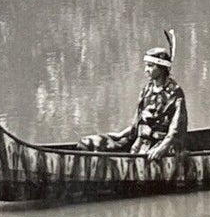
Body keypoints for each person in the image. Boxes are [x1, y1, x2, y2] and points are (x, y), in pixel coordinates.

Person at [81, 29, 189, 162]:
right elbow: (137, 123)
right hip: (141, 143)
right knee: (89, 143)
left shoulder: (175, 93)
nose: (146, 70)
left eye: (150, 66)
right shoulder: (147, 89)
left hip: (162, 149)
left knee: (137, 159)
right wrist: (119, 135)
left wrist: (162, 147)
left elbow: (176, 129)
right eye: (146, 66)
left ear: (161, 68)